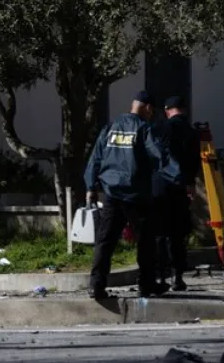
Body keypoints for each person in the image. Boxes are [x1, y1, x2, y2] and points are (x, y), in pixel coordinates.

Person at [83, 90, 183, 299]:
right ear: (147, 107)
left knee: (105, 241)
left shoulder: (110, 127)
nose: (151, 115)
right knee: (146, 241)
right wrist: (179, 176)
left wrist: (91, 187)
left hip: (111, 194)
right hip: (136, 195)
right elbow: (159, 156)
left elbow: (95, 158)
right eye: (151, 112)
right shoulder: (143, 128)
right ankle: (146, 284)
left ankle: (96, 286)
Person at [151, 96, 200, 291]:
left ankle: (161, 276)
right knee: (177, 234)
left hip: (161, 186)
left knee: (160, 233)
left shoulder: (161, 128)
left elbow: (156, 155)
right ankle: (178, 277)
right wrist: (189, 183)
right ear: (184, 110)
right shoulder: (192, 132)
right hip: (181, 187)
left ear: (167, 110)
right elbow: (195, 161)